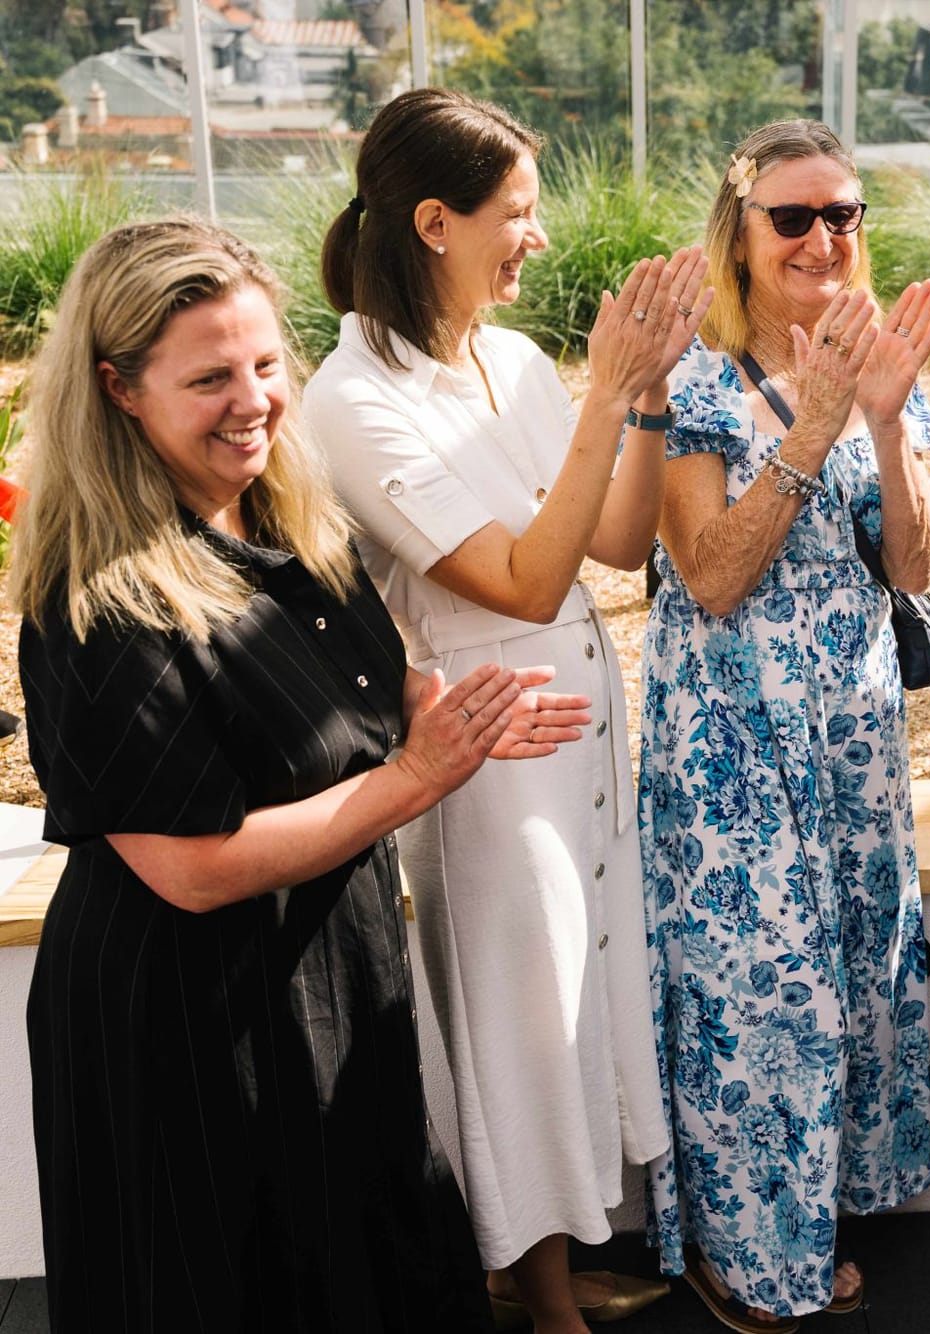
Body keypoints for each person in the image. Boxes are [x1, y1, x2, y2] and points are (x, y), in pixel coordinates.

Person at [11, 217, 589, 1331]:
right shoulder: (99, 595)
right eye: (210, 377)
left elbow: (374, 685)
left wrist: (450, 712)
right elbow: (188, 867)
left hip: (327, 960)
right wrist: (417, 777)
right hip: (185, 1015)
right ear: (119, 388)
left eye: (268, 363)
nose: (254, 400)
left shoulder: (291, 520)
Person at [306, 88, 710, 1333]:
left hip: (582, 724)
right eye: (516, 212)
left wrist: (640, 402)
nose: (535, 235)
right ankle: (539, 1301)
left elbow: (622, 538)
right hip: (484, 743)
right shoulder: (353, 398)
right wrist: (606, 400)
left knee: (582, 994)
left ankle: (552, 1263)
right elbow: (528, 583)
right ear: (434, 221)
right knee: (518, 1012)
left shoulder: (514, 359)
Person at [638, 118, 930, 1331]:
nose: (825, 237)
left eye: (845, 214)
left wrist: (880, 415)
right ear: (742, 231)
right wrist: (812, 425)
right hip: (730, 734)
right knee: (754, 989)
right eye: (794, 216)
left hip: (852, 723)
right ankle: (743, 1254)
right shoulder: (693, 379)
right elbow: (705, 575)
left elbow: (915, 567)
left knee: (857, 970)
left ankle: (823, 1208)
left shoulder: (873, 363)